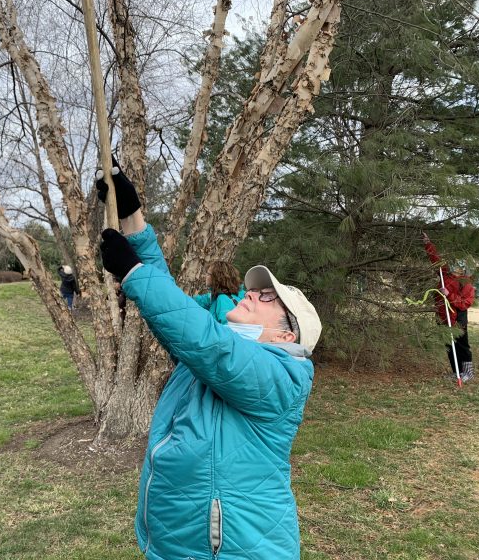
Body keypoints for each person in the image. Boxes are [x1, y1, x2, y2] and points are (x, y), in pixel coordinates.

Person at [96, 162, 321, 560]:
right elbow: (184, 321)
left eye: (268, 298)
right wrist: (133, 219)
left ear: (288, 335)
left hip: (231, 549)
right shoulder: (209, 354)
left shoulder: (283, 377)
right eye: (256, 291)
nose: (252, 294)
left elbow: (210, 345)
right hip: (180, 542)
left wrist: (131, 271)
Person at [422, 232, 475, 382]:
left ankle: (468, 373)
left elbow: (465, 303)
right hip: (443, 315)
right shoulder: (445, 274)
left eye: (458, 265)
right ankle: (456, 372)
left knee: (462, 345)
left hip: (458, 317)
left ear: (463, 268)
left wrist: (448, 294)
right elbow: (435, 259)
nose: (454, 267)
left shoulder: (465, 282)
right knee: (449, 345)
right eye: (453, 264)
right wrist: (428, 243)